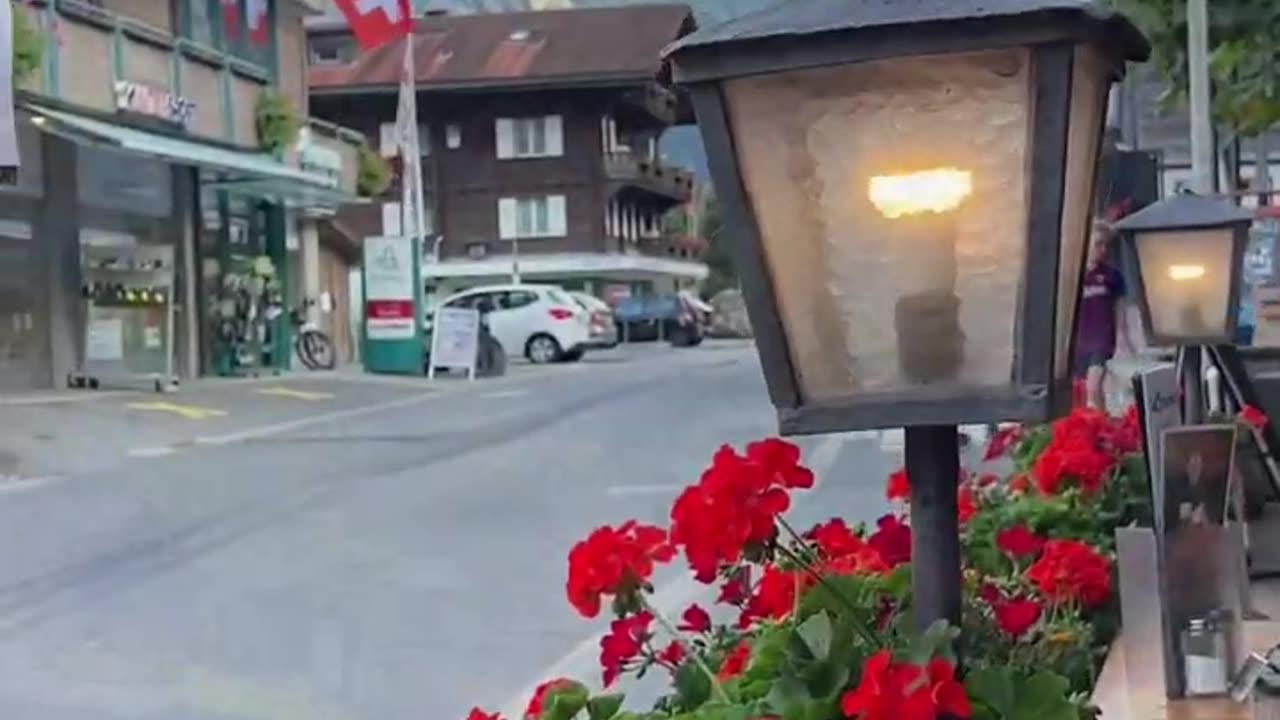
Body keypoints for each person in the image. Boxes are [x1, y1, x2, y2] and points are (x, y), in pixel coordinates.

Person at [1074, 218, 1135, 412]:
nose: (1102, 250)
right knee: (1081, 392)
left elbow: (1119, 308)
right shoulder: (1072, 274)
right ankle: (1097, 423)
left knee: (1093, 386)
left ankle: (1099, 424)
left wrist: (1123, 337)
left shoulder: (1111, 276)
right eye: (1098, 244)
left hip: (1102, 339)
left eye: (1105, 245)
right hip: (1078, 341)